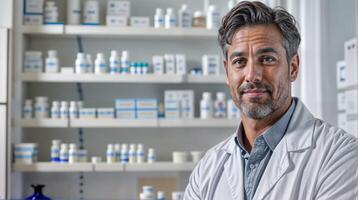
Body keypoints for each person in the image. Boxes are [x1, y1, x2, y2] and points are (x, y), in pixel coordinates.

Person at [184, 1, 358, 200]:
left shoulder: (340, 155)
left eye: (267, 59)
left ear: (293, 67)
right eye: (239, 62)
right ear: (227, 72)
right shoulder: (207, 168)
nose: (252, 75)